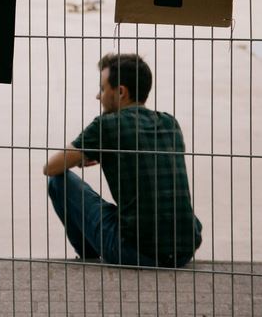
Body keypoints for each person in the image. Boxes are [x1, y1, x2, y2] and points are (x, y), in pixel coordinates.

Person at [43, 53, 203, 267]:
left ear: (120, 92)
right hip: (183, 250)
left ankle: (89, 256)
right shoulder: (169, 123)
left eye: (102, 89)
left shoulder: (107, 125)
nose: (98, 96)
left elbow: (51, 167)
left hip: (135, 252)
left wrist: (92, 152)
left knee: (58, 181)